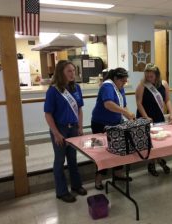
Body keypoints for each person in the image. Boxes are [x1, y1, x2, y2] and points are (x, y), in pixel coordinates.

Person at [44, 60, 87, 203]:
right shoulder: (53, 90)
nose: (72, 74)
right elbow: (48, 114)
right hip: (60, 129)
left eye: (74, 71)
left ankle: (76, 186)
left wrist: (80, 127)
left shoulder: (76, 88)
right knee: (60, 160)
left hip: (73, 127)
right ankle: (61, 191)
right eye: (69, 71)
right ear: (61, 72)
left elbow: (79, 109)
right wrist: (56, 133)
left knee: (73, 158)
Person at [91, 67, 135, 190]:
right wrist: (125, 113)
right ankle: (98, 179)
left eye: (126, 81)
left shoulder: (120, 88)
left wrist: (130, 115)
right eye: (123, 81)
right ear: (115, 78)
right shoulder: (107, 86)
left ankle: (118, 173)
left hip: (116, 123)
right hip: (100, 124)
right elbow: (108, 104)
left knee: (119, 148)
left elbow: (124, 106)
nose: (124, 84)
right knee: (101, 152)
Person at [136, 63, 172, 176]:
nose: (149, 78)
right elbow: (138, 103)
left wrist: (171, 113)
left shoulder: (164, 84)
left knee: (159, 140)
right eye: (147, 76)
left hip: (158, 115)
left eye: (151, 76)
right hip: (145, 116)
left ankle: (157, 162)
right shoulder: (142, 85)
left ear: (157, 75)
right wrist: (145, 117)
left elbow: (167, 100)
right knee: (150, 142)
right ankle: (155, 163)